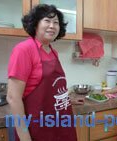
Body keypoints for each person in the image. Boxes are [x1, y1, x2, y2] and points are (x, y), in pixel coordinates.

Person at [6, 4, 84, 141]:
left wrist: (67, 100)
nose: (52, 26)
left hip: (61, 123)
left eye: (56, 22)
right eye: (47, 21)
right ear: (35, 24)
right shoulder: (24, 49)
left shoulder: (53, 51)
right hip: (38, 127)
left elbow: (52, 88)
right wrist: (25, 138)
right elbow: (13, 98)